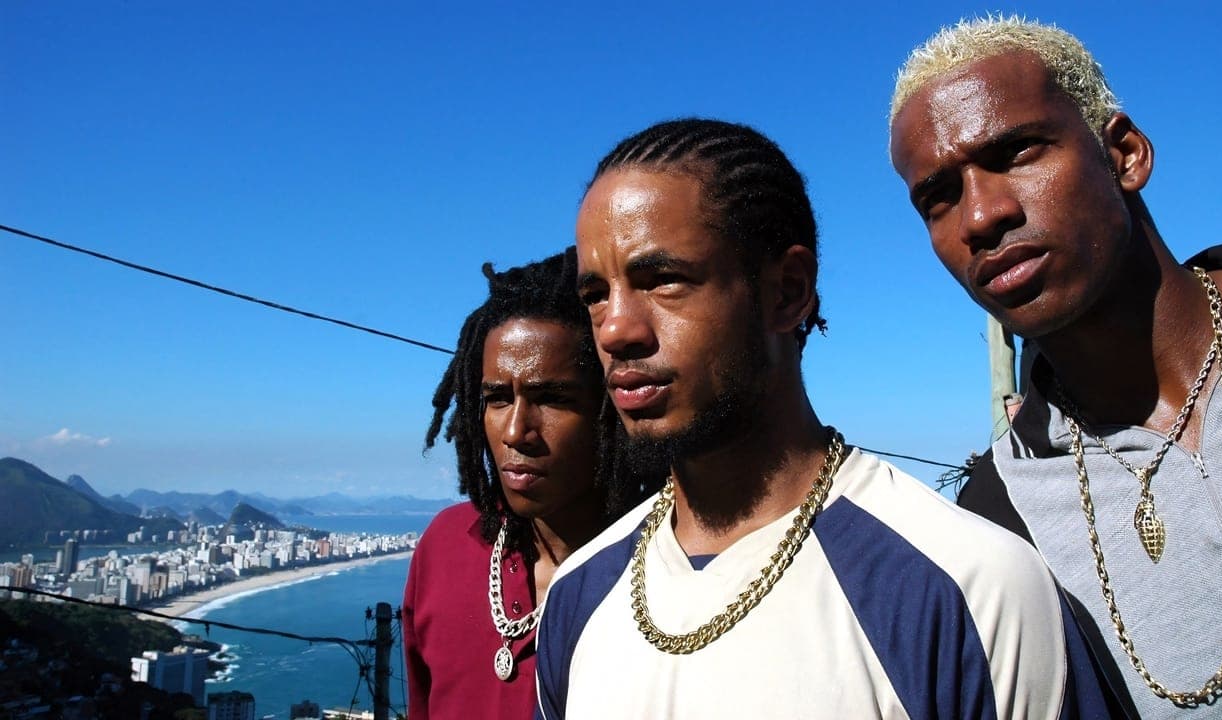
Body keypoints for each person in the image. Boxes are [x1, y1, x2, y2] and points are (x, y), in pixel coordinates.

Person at [534, 118, 1109, 719]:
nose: (615, 329)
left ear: (787, 291)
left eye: (663, 280)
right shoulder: (578, 597)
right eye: (595, 295)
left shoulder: (969, 588)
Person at [889, 17, 1222, 718]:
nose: (979, 217)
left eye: (1015, 152)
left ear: (1123, 155)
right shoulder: (998, 524)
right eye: (938, 198)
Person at [402, 249, 656, 719]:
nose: (516, 431)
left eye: (552, 398)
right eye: (498, 398)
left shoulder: (663, 573)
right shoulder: (445, 546)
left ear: (610, 407)